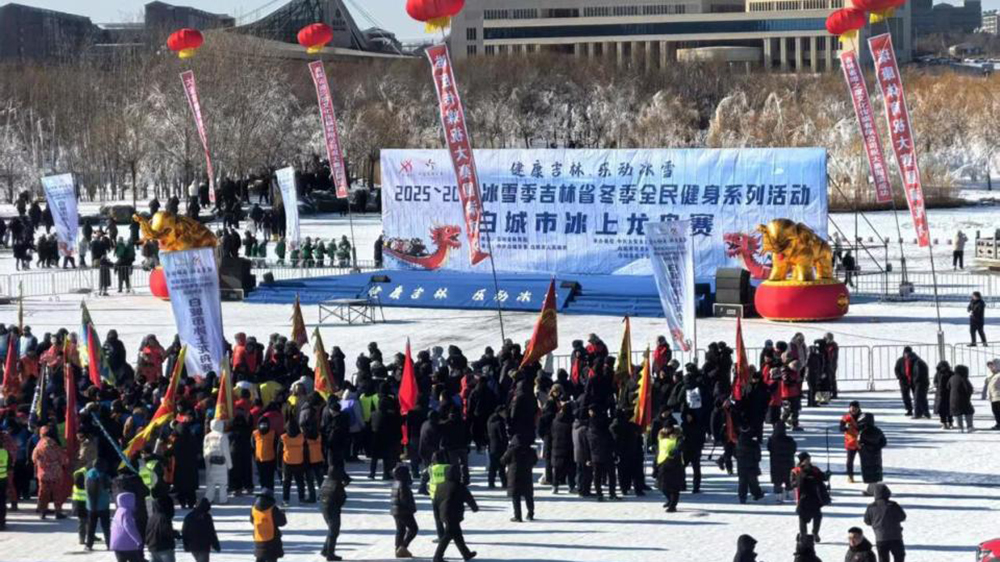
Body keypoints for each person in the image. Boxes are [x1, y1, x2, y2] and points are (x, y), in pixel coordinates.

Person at [432, 465, 478, 562]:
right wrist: (474, 508)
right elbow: (468, 497)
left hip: (443, 513)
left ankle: (466, 554)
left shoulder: (440, 485)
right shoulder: (458, 486)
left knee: (457, 534)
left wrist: (437, 515)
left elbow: (435, 501)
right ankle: (437, 557)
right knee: (448, 535)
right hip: (453, 514)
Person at [790, 452, 829, 544]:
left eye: (809, 459)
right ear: (802, 460)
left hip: (815, 496)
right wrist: (802, 478)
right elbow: (792, 484)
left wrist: (827, 475)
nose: (808, 461)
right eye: (806, 459)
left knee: (817, 516)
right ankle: (803, 535)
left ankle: (815, 533)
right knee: (802, 517)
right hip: (802, 497)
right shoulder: (795, 471)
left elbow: (823, 478)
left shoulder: (815, 469)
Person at [863, 484, 907, 562]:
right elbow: (902, 517)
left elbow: (867, 521)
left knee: (883, 559)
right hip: (896, 536)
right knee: (899, 557)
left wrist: (876, 523)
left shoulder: (871, 507)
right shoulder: (893, 505)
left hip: (880, 538)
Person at [32, 425, 68, 519]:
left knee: (43, 493)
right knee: (57, 493)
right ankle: (58, 512)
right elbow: (63, 459)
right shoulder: (55, 445)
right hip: (56, 473)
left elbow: (34, 458)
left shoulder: (39, 445)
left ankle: (42, 512)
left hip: (43, 473)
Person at [501, 434, 538, 522]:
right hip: (527, 474)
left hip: (514, 475)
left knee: (515, 496)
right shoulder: (530, 450)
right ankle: (530, 513)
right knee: (528, 495)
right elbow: (535, 460)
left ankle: (518, 516)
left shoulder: (511, 450)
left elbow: (503, 460)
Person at [319, 466, 347, 562]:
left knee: (331, 530)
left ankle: (325, 550)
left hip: (324, 508)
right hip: (333, 509)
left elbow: (320, 495)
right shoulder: (337, 484)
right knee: (334, 532)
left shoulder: (325, 481)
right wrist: (338, 506)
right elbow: (342, 498)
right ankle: (330, 554)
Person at [251, 489, 286, 562]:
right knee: (272, 558)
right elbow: (282, 522)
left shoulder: (254, 509)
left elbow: (252, 520)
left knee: (260, 557)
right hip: (272, 538)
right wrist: (282, 514)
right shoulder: (273, 509)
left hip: (259, 536)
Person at [391, 464, 418, 558]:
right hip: (404, 511)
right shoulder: (403, 485)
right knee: (413, 529)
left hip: (396, 510)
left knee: (400, 530)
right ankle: (403, 547)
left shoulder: (396, 482)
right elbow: (405, 499)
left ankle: (398, 548)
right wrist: (411, 508)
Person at [85, 460, 113, 551]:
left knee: (91, 526)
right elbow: (109, 487)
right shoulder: (105, 475)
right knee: (106, 526)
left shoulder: (88, 474)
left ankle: (89, 545)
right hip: (103, 505)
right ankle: (109, 544)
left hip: (91, 506)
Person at [655, 425, 684, 513]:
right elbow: (659, 451)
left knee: (673, 487)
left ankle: (673, 505)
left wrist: (675, 451)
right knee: (662, 486)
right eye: (665, 427)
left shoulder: (678, 437)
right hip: (662, 463)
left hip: (674, 464)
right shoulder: (661, 437)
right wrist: (654, 466)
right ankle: (669, 500)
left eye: (668, 427)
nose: (666, 429)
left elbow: (680, 446)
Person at [203, 419, 232, 505]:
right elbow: (226, 452)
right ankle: (223, 500)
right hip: (221, 463)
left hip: (211, 462)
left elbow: (205, 450)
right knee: (223, 483)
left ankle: (208, 499)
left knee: (210, 483)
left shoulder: (207, 436)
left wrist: (206, 463)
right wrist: (229, 464)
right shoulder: (223, 436)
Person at [182, 498, 221, 562]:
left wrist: (185, 545)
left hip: (193, 545)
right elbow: (211, 532)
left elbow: (185, 531)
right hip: (204, 546)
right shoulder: (207, 517)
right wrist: (215, 545)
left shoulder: (189, 516)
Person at [766, 421, 797, 503]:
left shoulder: (772, 440)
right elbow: (794, 450)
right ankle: (789, 494)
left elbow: (769, 449)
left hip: (776, 463)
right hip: (788, 462)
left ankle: (778, 497)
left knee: (777, 481)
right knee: (789, 479)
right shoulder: (790, 440)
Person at [857, 414, 886, 496]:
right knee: (875, 471)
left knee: (869, 472)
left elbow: (860, 443)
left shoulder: (863, 432)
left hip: (866, 455)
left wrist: (862, 447)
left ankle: (872, 491)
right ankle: (872, 489)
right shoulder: (878, 430)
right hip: (876, 455)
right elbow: (884, 442)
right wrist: (877, 447)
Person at [110, 492, 144, 562]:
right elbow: (129, 527)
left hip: (117, 545)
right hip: (127, 545)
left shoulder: (118, 511)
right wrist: (138, 540)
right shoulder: (126, 512)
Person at [735, 426, 764, 504]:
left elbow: (735, 454)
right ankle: (757, 494)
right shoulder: (754, 444)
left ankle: (742, 497)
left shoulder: (738, 443)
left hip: (741, 466)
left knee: (742, 482)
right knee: (753, 482)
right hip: (752, 465)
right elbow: (758, 457)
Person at [146, 495, 179, 562]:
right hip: (164, 547)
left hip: (152, 547)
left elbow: (147, 532)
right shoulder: (164, 518)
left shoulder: (152, 518)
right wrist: (176, 534)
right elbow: (166, 531)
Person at [253, 417, 279, 492]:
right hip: (259, 460)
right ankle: (263, 491)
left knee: (269, 477)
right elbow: (253, 445)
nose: (263, 426)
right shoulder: (255, 433)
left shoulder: (273, 433)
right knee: (262, 477)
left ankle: (270, 491)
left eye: (265, 424)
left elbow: (276, 446)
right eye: (262, 425)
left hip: (270, 459)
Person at [839, 401, 862, 483]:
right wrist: (845, 428)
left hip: (861, 441)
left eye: (855, 408)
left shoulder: (863, 417)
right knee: (850, 461)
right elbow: (841, 428)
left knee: (865, 460)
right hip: (850, 442)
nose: (853, 409)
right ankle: (850, 476)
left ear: (858, 408)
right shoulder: (846, 417)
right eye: (852, 408)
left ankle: (867, 475)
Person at [949, 365, 976, 433]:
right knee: (969, 411)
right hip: (963, 399)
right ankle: (969, 426)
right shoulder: (963, 378)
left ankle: (960, 427)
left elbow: (948, 386)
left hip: (953, 399)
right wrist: (968, 395)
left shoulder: (952, 378)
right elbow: (969, 388)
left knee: (957, 413)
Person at [934, 361, 954, 430]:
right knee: (941, 410)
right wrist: (937, 385)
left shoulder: (951, 373)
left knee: (949, 409)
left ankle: (950, 422)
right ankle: (944, 423)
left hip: (949, 393)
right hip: (940, 394)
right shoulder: (938, 373)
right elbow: (935, 381)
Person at [985, 360, 1000, 430]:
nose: (991, 368)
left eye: (992, 366)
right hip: (993, 396)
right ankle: (998, 424)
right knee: (995, 412)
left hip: (998, 396)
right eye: (989, 366)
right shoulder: (991, 375)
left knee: (998, 411)